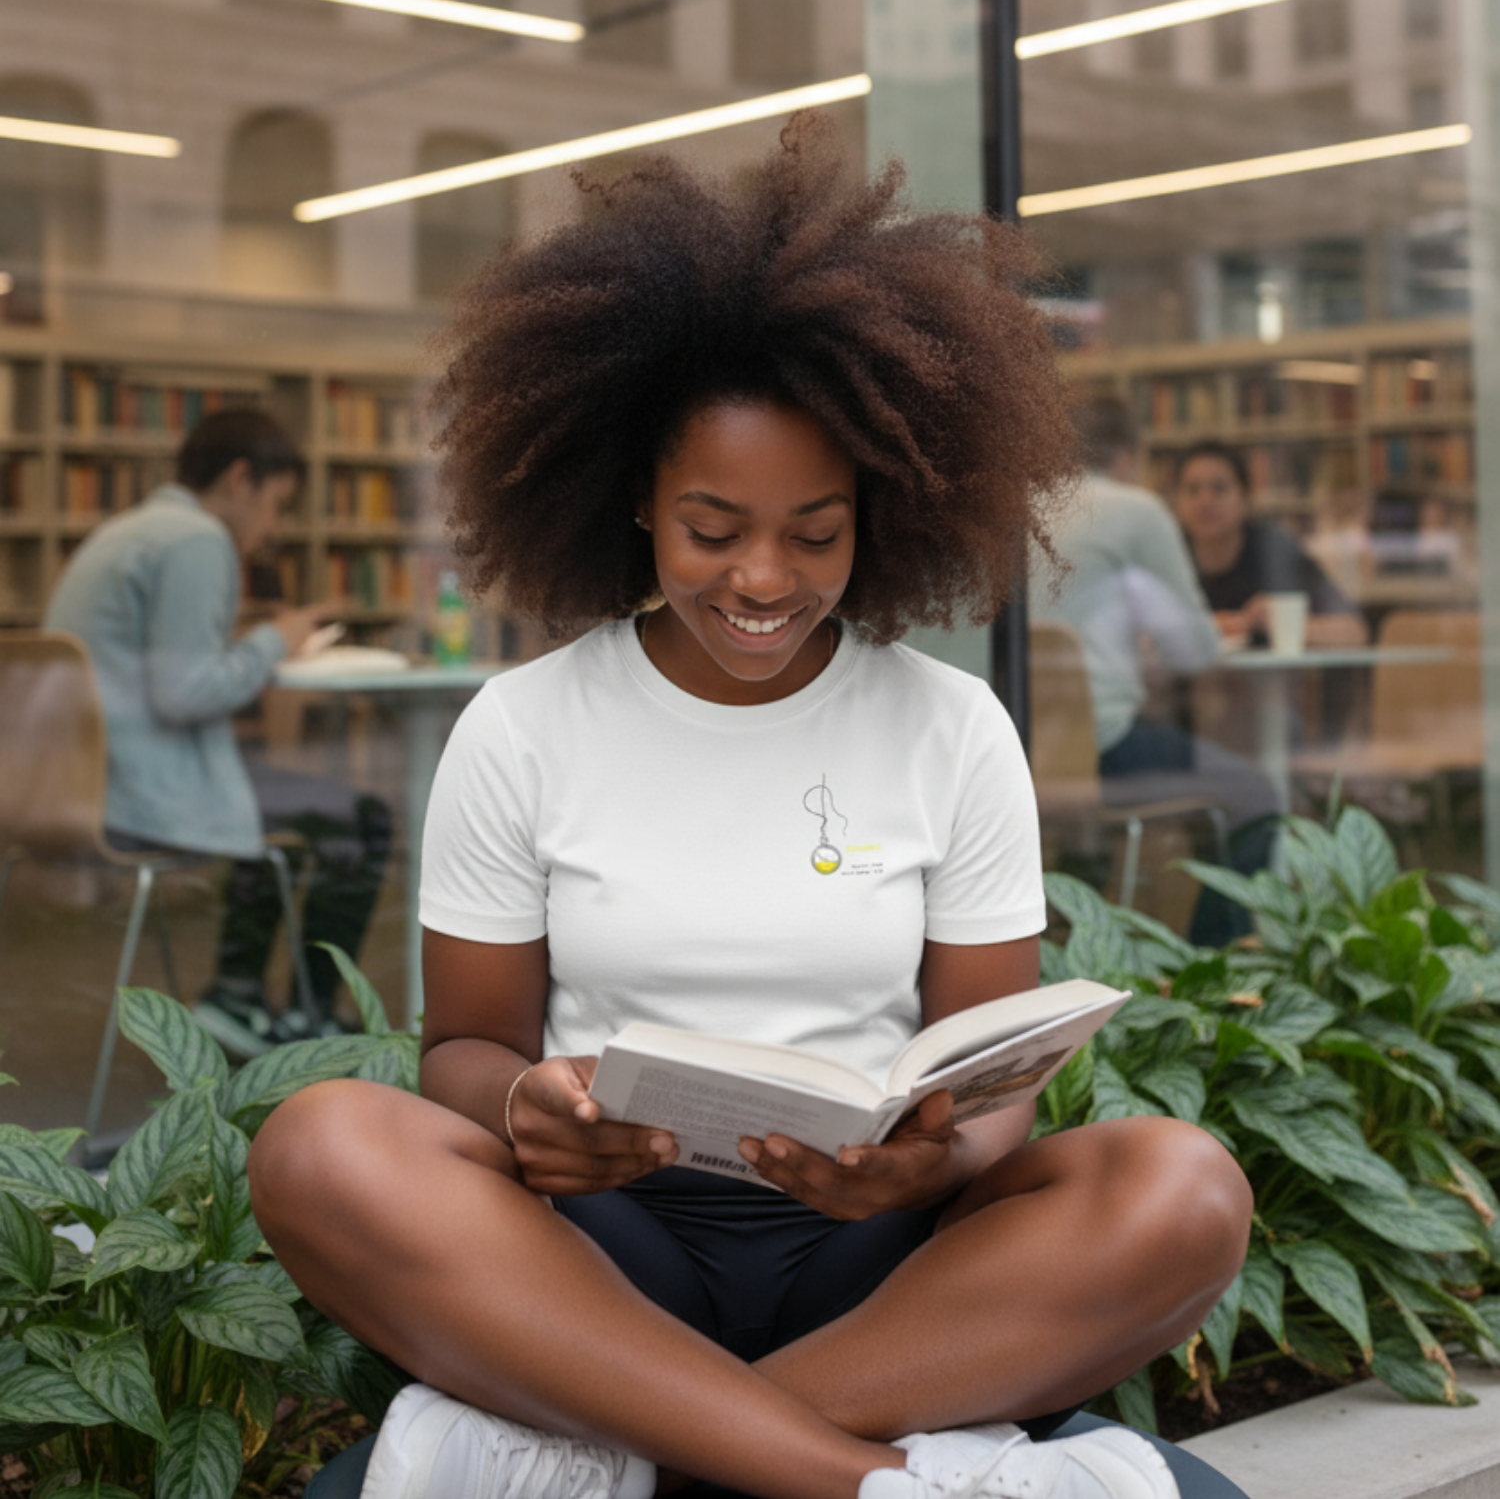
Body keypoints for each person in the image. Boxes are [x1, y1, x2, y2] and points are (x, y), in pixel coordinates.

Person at [247, 119, 1253, 1499]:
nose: (764, 578)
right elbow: (469, 1050)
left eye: (817, 532)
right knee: (323, 1146)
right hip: (604, 1246)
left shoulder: (953, 730)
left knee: (1184, 1187)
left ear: (883, 512)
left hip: (877, 1262)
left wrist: (930, 1158)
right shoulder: (523, 728)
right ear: (635, 508)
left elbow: (988, 1083)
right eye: (713, 530)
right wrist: (535, 1106)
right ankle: (862, 1480)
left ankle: (628, 1450)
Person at [43, 408, 393, 1054]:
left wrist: (238, 649)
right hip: (147, 793)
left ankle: (238, 996)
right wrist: (276, 639)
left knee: (288, 817)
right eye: (277, 505)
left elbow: (164, 669)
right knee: (362, 819)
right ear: (239, 479)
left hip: (83, 787)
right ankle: (308, 1017)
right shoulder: (197, 540)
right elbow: (184, 694)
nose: (273, 528)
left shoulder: (126, 532)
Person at [1030, 398, 1280, 946]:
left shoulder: (1015, 508)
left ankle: (1077, 946)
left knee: (1103, 812)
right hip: (1102, 745)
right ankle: (1208, 966)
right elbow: (1194, 652)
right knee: (1255, 796)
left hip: (1016, 749)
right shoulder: (1133, 509)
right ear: (1127, 457)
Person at [1171, 442, 1368, 648]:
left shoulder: (1274, 551)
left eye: (1219, 489)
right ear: (1176, 500)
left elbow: (1354, 631)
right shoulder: (1166, 555)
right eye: (1192, 490)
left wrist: (1282, 622)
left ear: (1246, 498)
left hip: (1270, 680)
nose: (1205, 501)